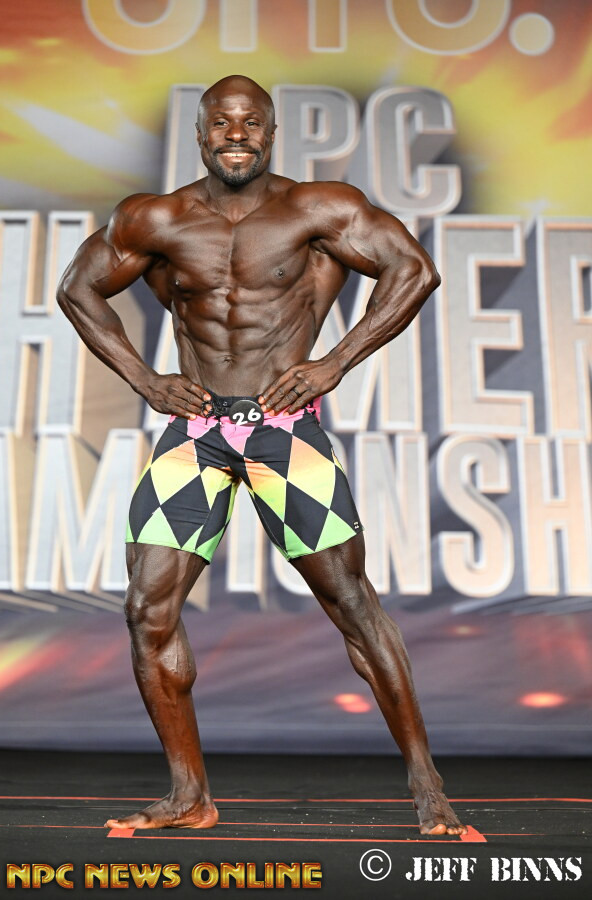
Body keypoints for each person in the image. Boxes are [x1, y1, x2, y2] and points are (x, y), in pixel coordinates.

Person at [57, 74, 466, 836]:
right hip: (197, 433)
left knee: (353, 604)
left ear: (272, 133)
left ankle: (427, 783)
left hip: (285, 431)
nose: (236, 134)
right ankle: (189, 795)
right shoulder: (157, 217)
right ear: (201, 134)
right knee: (147, 610)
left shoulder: (318, 209)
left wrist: (335, 361)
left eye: (251, 122)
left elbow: (414, 270)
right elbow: (78, 288)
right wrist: (146, 379)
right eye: (222, 122)